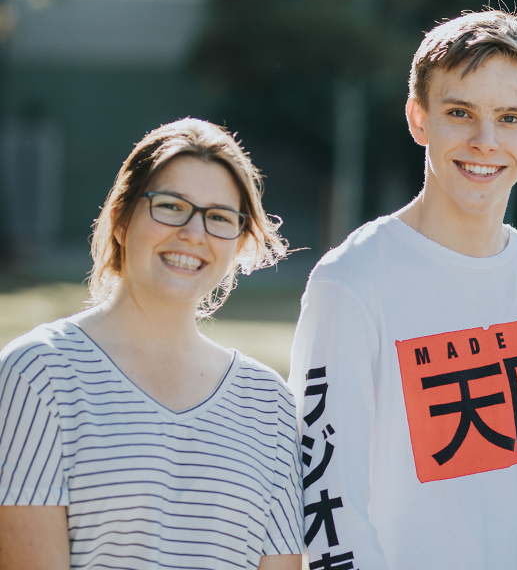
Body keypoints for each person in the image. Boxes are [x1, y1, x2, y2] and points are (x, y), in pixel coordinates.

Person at [287, 9, 517, 569]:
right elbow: (328, 503)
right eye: (459, 112)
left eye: (510, 118)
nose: (485, 141)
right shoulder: (349, 284)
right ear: (419, 119)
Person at [0, 118, 299, 569]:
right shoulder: (37, 376)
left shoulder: (269, 403)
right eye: (171, 206)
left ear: (238, 243)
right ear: (120, 218)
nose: (194, 233)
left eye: (218, 217)